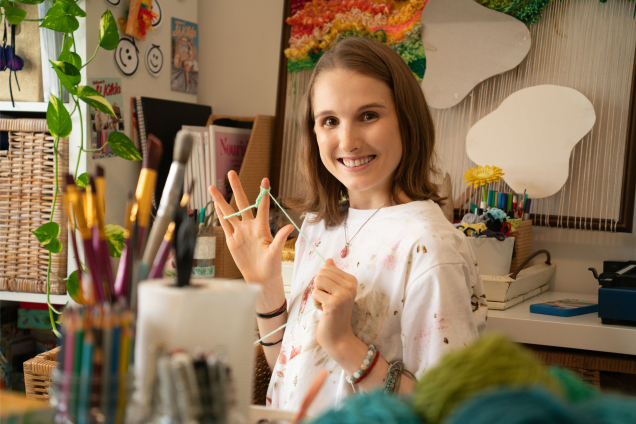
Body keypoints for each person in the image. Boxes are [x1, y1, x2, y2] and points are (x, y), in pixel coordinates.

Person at [209, 36, 487, 415]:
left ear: (407, 120)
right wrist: (266, 290)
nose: (348, 141)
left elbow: (448, 411)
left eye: (368, 116)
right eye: (330, 121)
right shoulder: (319, 226)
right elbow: (289, 373)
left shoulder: (430, 247)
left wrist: (344, 344)